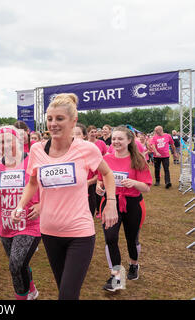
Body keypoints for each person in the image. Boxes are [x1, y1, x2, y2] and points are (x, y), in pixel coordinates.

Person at [14, 93, 117, 300]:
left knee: (67, 295)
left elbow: (107, 173)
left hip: (79, 233)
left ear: (73, 121)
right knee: (64, 289)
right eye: (50, 119)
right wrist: (21, 205)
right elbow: (32, 183)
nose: (53, 124)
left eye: (59, 119)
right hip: (50, 231)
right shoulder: (37, 150)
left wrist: (111, 203)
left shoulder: (86, 149)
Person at [0, 126, 41, 300]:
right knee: (20, 264)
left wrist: (41, 205)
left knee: (15, 265)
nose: (5, 144)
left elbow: (49, 187)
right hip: (6, 225)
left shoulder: (32, 161)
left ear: (18, 141)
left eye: (8, 140)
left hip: (30, 222)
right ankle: (32, 289)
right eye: (1, 141)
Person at [96, 126, 152, 292]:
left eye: (120, 139)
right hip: (110, 203)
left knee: (131, 239)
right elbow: (100, 180)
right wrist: (99, 187)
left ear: (129, 140)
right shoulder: (106, 159)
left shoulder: (138, 160)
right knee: (110, 238)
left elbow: (147, 187)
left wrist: (134, 183)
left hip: (133, 204)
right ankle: (116, 277)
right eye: (114, 139)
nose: (116, 142)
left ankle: (134, 264)